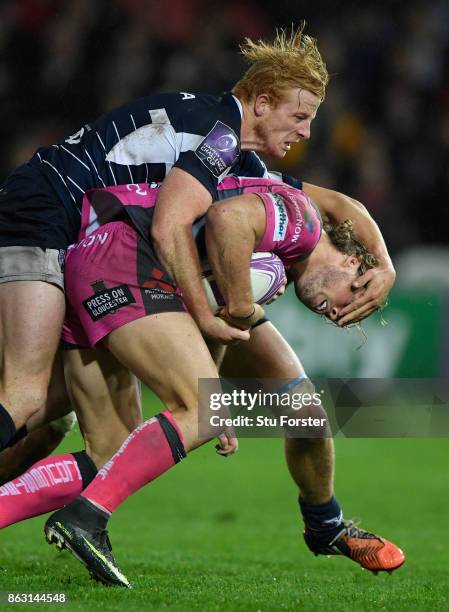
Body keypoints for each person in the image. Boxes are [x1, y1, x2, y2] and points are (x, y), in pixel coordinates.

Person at [0, 24, 394, 458]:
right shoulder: (221, 135)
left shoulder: (234, 153)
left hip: (72, 239)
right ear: (262, 103)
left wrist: (385, 267)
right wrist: (205, 314)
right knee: (25, 396)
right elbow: (168, 227)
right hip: (41, 215)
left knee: (64, 419)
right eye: (299, 117)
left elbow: (337, 203)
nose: (305, 133)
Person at [0, 178, 403, 586]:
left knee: (302, 414)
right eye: (354, 297)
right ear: (354, 262)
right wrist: (386, 265)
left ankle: (324, 524)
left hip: (139, 268)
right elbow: (333, 202)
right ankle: (84, 516)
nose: (340, 314)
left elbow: (217, 314)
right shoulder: (293, 212)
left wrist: (212, 384)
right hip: (129, 257)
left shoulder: (278, 246)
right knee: (37, 410)